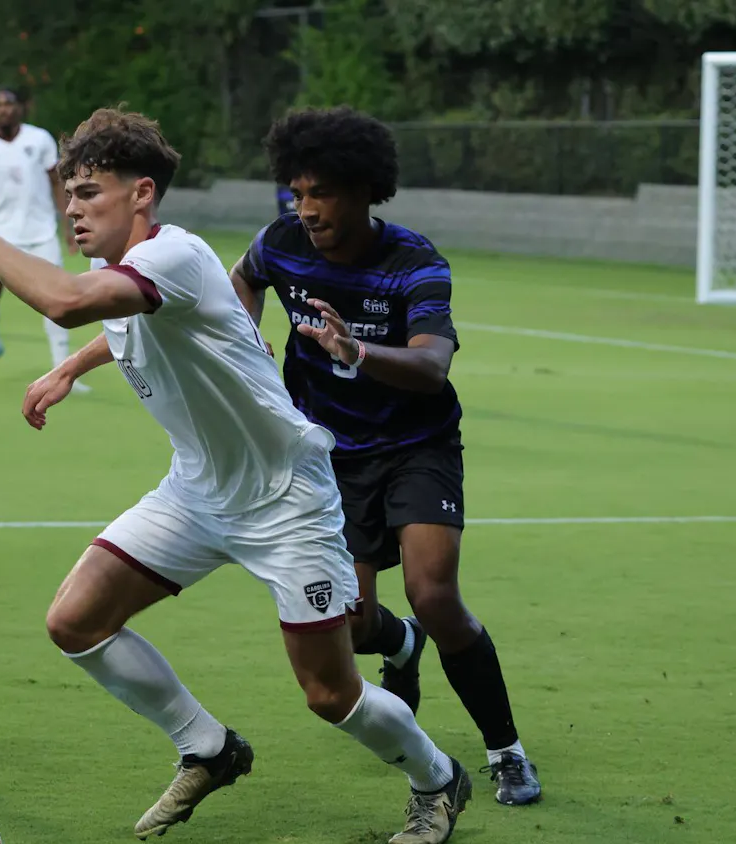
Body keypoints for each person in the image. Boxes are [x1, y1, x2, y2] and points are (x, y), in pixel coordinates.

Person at [0, 108, 472, 844]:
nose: (72, 208)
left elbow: (68, 301)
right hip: (198, 490)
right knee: (76, 621)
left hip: (286, 500)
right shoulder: (125, 269)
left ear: (142, 193)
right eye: (69, 194)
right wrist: (70, 364)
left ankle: (438, 779)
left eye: (88, 192)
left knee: (329, 692)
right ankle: (209, 749)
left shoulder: (173, 257)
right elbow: (124, 319)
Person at [229, 107, 542, 807]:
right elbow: (241, 282)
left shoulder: (415, 263)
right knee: (353, 625)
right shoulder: (279, 242)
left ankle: (506, 751)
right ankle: (399, 646)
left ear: (366, 190)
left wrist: (356, 350)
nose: (306, 210)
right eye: (297, 193)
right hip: (327, 459)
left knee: (435, 596)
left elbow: (432, 367)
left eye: (323, 194)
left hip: (416, 446)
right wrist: (250, 332)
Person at [0, 87, 86, 389]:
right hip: (1, 236)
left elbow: (57, 183)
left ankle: (62, 370)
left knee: (55, 299)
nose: (3, 109)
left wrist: (67, 226)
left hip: (41, 233)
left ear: (20, 107)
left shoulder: (39, 139)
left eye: (8, 103)